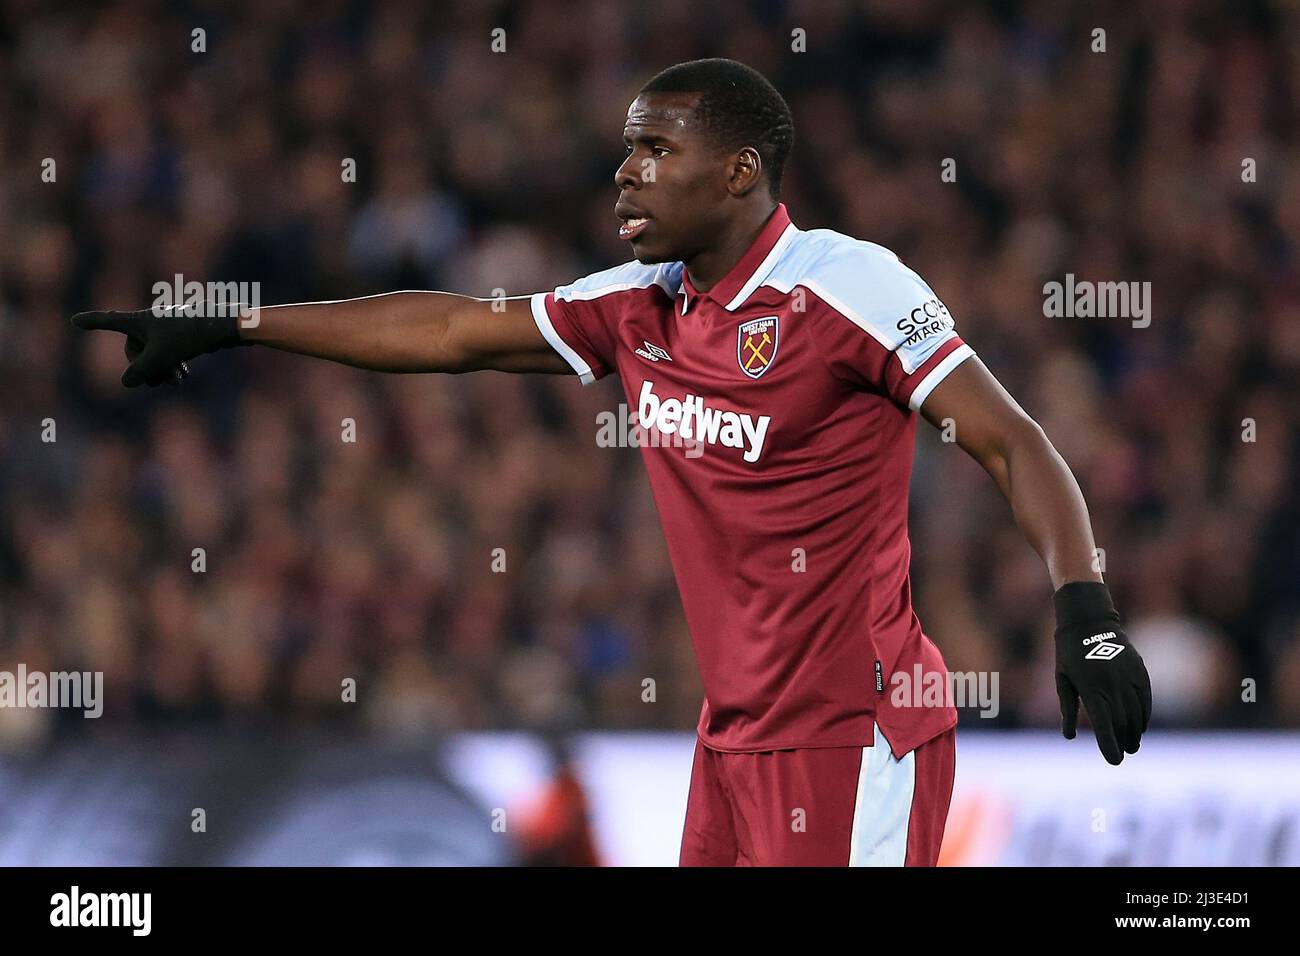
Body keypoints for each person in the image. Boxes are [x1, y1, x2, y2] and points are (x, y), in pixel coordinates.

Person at [71, 58, 1152, 866]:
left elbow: (1013, 438)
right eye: (626, 148)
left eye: (655, 151)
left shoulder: (847, 288)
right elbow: (449, 332)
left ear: (738, 172)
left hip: (856, 733)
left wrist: (1084, 606)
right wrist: (234, 323)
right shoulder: (634, 308)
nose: (624, 172)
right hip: (729, 739)